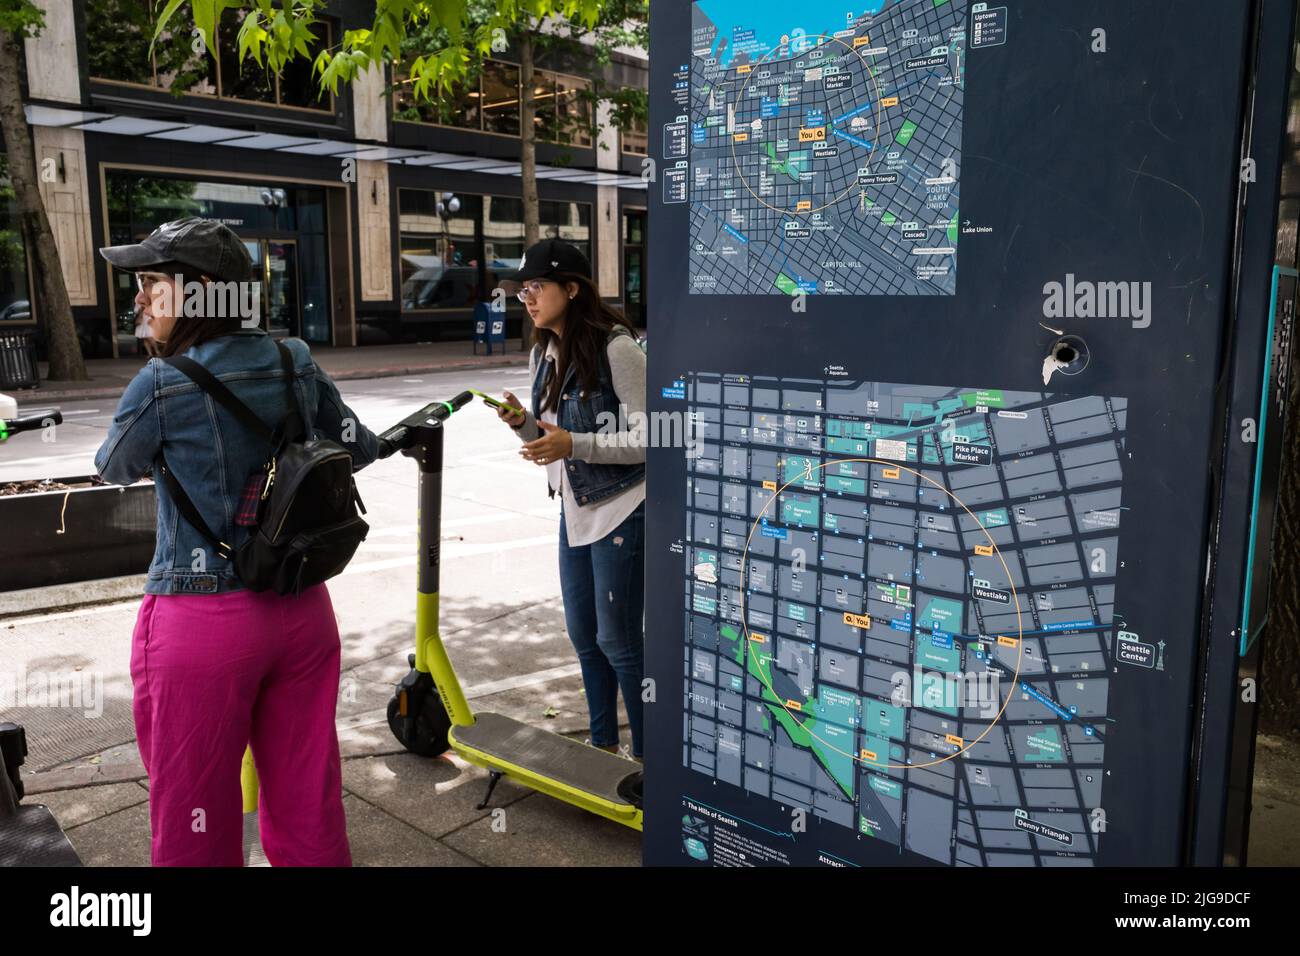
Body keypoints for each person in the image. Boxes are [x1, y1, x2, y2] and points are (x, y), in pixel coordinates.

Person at [93, 218, 382, 866]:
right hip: (302, 610)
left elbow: (113, 465)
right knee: (309, 799)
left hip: (202, 624)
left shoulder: (162, 383)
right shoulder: (296, 360)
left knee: (195, 814)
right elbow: (360, 447)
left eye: (148, 284)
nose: (137, 300)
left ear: (194, 292)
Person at [491, 238, 647, 760]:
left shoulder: (618, 349)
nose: (528, 299)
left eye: (537, 287)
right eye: (522, 291)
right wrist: (524, 425)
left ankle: (651, 761)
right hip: (576, 508)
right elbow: (554, 436)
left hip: (623, 507)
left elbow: (655, 442)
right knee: (584, 635)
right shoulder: (545, 352)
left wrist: (574, 443)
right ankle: (602, 747)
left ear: (572, 289)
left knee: (618, 641)